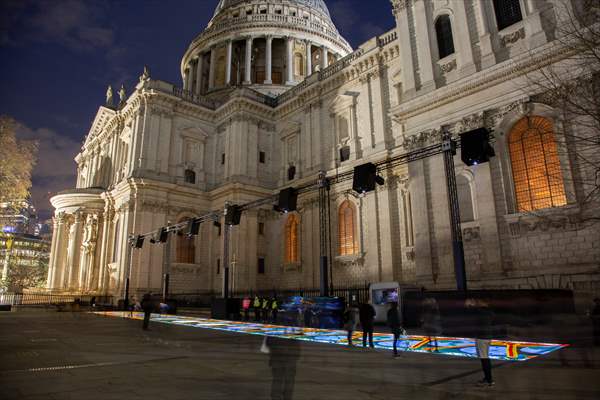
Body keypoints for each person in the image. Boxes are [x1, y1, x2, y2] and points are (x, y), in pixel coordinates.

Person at [466, 298, 495, 387]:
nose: (478, 303)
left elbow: (471, 311)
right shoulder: (490, 312)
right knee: (484, 358)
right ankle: (487, 378)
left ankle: (489, 380)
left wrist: (471, 305)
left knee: (484, 359)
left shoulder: (480, 311)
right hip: (487, 337)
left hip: (482, 338)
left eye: (479, 301)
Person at [267, 329, 301, 400]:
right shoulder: (293, 327)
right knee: (289, 381)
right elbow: (297, 341)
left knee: (277, 380)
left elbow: (268, 342)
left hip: (277, 357)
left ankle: (276, 397)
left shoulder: (274, 327)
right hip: (290, 358)